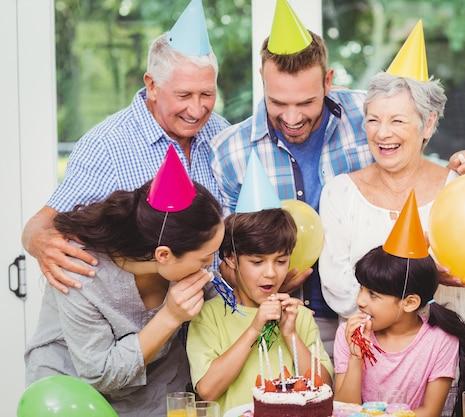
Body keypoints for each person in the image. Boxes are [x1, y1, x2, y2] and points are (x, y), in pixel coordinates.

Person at [208, 0, 465, 357]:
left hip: (366, 322)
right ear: (262, 80)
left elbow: (412, 146)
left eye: (306, 102)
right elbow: (221, 258)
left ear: (328, 81)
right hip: (280, 321)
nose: (291, 117)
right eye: (277, 102)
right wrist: (259, 280)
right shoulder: (230, 152)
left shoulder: (367, 114)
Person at [21, 0, 229, 293]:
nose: (197, 109)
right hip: (143, 326)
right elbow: (41, 223)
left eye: (207, 93)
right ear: (152, 85)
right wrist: (40, 241)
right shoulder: (105, 145)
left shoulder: (222, 132)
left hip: (216, 320)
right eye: (184, 95)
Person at [24, 158, 226, 417]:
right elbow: (100, 373)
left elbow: (226, 300)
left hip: (154, 394)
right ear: (163, 255)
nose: (211, 265)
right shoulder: (82, 273)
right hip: (72, 395)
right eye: (205, 258)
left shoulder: (177, 260)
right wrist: (170, 316)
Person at [318, 72, 465, 330]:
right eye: (373, 120)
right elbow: (339, 293)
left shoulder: (459, 187)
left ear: (428, 124)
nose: (383, 133)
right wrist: (428, 276)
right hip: (365, 364)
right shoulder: (340, 193)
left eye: (397, 120)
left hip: (444, 363)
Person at [186, 208, 333, 411]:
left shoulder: (298, 315)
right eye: (257, 262)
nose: (271, 273)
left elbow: (324, 388)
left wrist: (290, 334)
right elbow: (207, 390)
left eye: (281, 261)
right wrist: (254, 329)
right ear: (230, 258)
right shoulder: (208, 315)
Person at [333, 245, 465, 417]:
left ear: (409, 303)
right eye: (360, 288)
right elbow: (343, 410)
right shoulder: (348, 334)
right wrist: (356, 357)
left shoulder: (441, 340)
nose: (359, 300)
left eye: (372, 294)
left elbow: (430, 412)